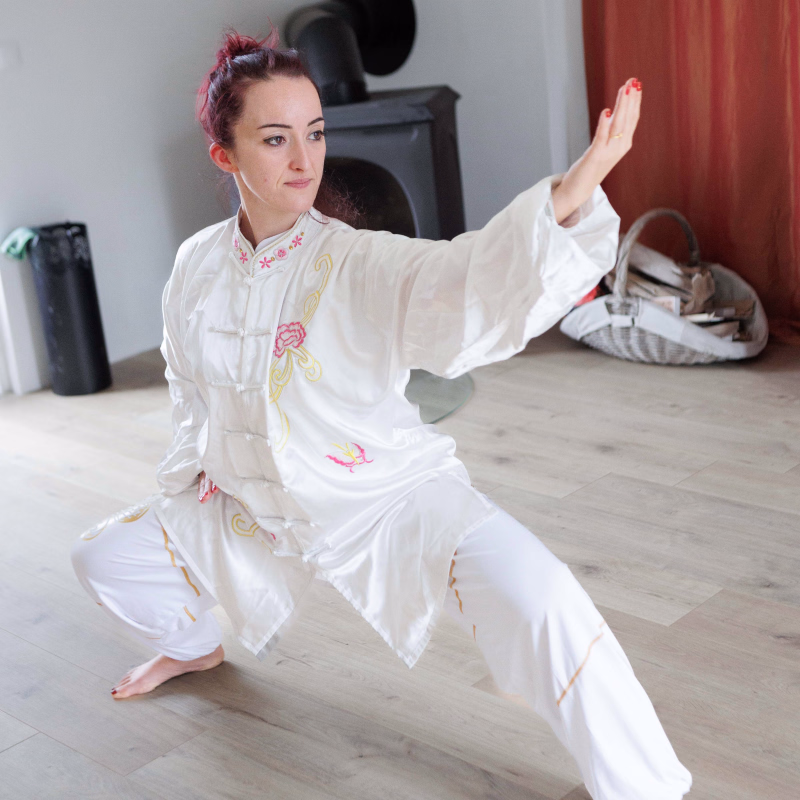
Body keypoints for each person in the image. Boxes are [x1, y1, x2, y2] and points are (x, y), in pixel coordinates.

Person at [70, 27, 692, 800]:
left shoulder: (351, 259)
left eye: (315, 133)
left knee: (546, 599)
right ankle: (194, 645)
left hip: (385, 495)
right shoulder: (196, 264)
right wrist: (200, 468)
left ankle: (644, 787)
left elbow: (463, 274)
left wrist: (578, 182)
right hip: (258, 500)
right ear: (224, 156)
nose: (304, 159)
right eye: (275, 138)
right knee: (104, 556)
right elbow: (186, 382)